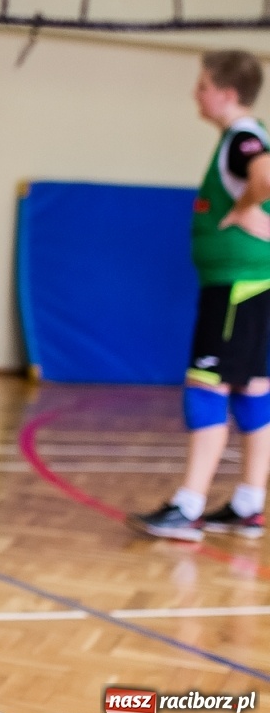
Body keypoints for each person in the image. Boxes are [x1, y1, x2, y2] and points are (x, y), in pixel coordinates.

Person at [128, 51, 270, 541]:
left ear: (226, 94)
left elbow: (265, 176)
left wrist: (246, 209)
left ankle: (188, 506)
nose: (197, 92)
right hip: (254, 285)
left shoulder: (244, 139)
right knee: (252, 388)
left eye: (203, 84)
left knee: (206, 385)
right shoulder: (248, 137)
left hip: (237, 288)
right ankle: (250, 502)